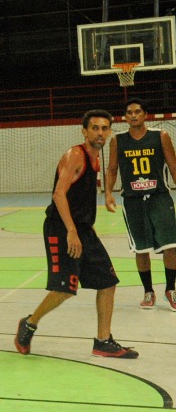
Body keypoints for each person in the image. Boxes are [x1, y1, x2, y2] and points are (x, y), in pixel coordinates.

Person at [15, 110, 138, 359]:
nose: (100, 133)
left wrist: (107, 196)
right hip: (62, 228)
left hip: (83, 229)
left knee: (108, 282)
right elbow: (59, 194)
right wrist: (71, 231)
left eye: (105, 128)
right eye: (95, 128)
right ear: (84, 131)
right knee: (64, 289)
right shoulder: (76, 155)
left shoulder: (95, 158)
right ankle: (29, 324)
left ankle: (103, 341)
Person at [104, 99, 176, 310]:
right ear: (125, 117)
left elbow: (173, 165)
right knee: (141, 249)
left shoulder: (160, 136)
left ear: (145, 114)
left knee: (171, 245)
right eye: (129, 113)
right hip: (133, 201)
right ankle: (148, 291)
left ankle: (170, 289)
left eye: (137, 112)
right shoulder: (117, 140)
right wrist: (108, 193)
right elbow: (112, 169)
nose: (133, 115)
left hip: (159, 197)